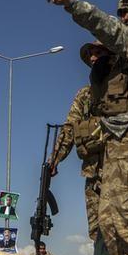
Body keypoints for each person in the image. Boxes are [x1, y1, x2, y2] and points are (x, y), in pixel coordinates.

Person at [46, 0, 128, 255]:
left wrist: (70, 3)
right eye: (121, 12)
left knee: (127, 217)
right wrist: (54, 159)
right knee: (108, 222)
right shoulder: (97, 88)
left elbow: (106, 26)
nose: (124, 17)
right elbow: (71, 128)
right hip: (110, 152)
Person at [49, 85, 101, 242]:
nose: (92, 58)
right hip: (94, 174)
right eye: (89, 58)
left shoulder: (127, 81)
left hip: (124, 171)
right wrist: (55, 159)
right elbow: (69, 129)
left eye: (97, 57)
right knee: (97, 231)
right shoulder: (85, 94)